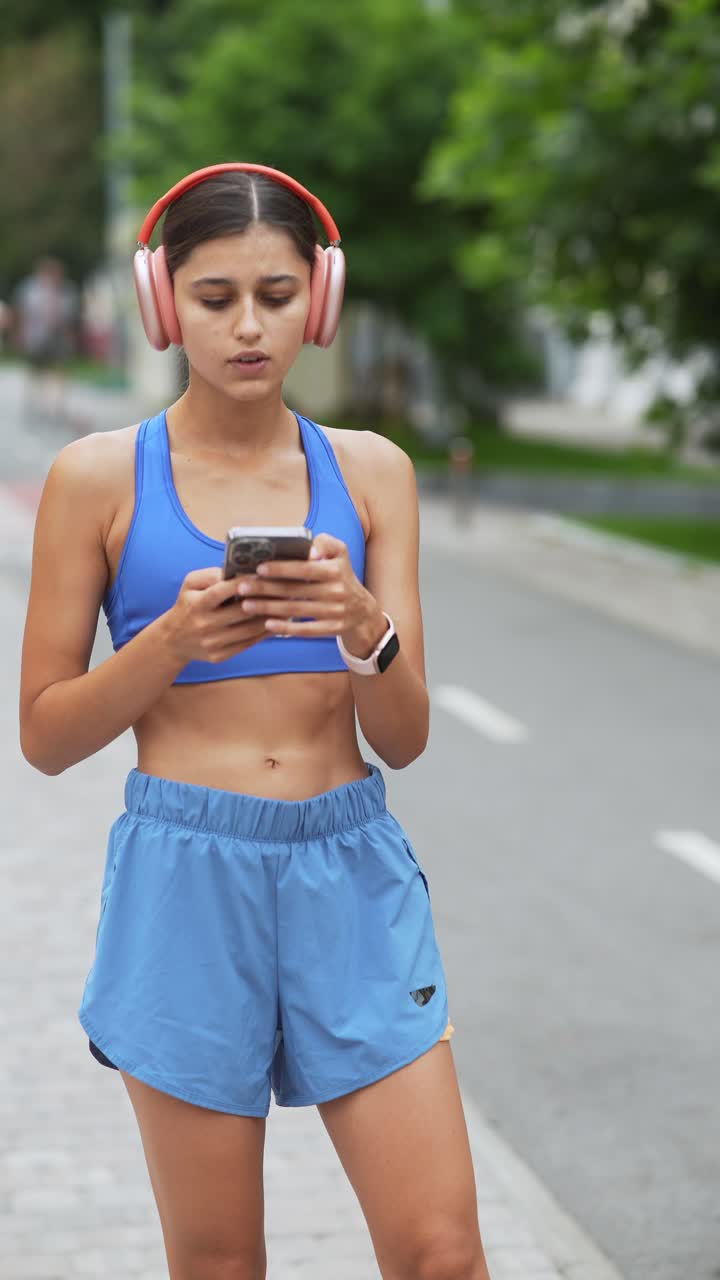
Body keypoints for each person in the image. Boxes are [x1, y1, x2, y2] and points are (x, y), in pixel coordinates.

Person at [19, 164, 491, 1280]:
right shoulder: (96, 478)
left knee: (443, 1254)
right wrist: (169, 646)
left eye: (276, 296)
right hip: (185, 875)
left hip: (349, 865)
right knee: (221, 1263)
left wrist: (367, 631)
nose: (246, 326)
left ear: (318, 302)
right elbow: (44, 734)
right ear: (161, 301)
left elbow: (406, 735)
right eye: (215, 296)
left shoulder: (372, 472)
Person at [11, 255, 79, 424]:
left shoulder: (67, 292)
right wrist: (19, 334)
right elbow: (21, 313)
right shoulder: (30, 290)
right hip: (36, 337)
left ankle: (55, 406)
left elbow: (71, 319)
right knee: (35, 371)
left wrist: (71, 339)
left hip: (59, 338)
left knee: (59, 372)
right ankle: (34, 404)